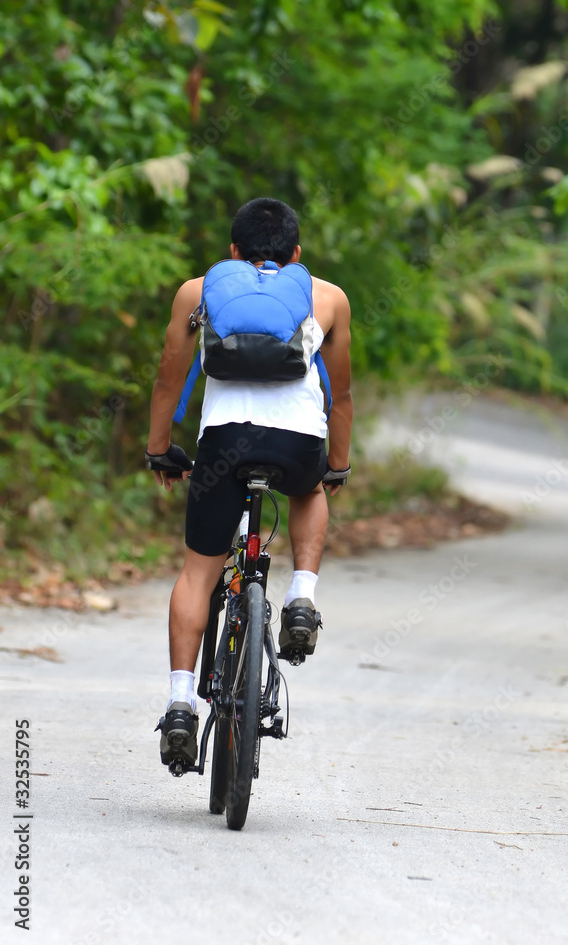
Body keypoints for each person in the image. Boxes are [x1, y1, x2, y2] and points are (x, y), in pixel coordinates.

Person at [145, 197, 353, 768]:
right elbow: (343, 393)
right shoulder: (328, 297)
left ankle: (182, 704)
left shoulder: (199, 292)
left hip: (222, 447)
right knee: (310, 489)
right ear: (297, 254)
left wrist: (159, 450)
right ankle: (302, 599)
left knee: (198, 573)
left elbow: (168, 379)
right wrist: (337, 463)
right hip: (297, 445)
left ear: (233, 251)